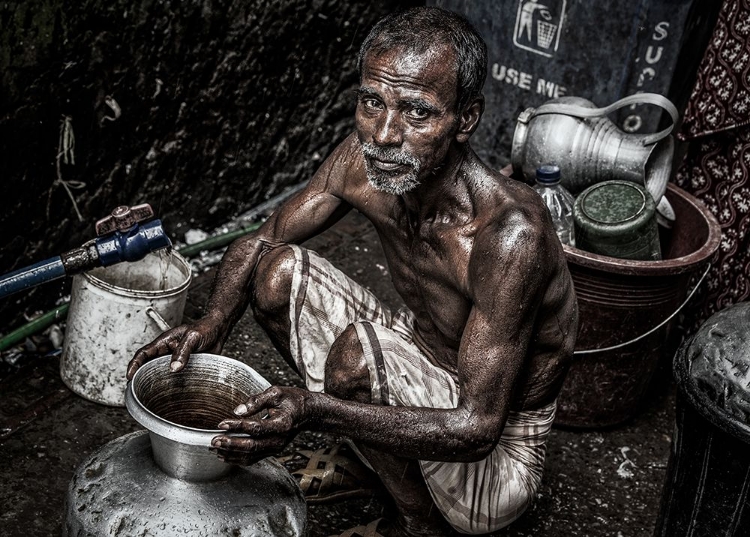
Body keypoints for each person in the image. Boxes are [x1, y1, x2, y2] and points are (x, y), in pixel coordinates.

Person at [128, 6, 578, 537]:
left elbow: (478, 428)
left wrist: (312, 411)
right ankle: (378, 461)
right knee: (272, 273)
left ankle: (417, 523)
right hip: (427, 356)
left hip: (495, 457)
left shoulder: (508, 235)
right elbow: (262, 238)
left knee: (355, 359)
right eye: (372, 102)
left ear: (467, 119)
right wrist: (212, 323)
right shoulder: (365, 158)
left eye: (417, 112)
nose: (385, 134)